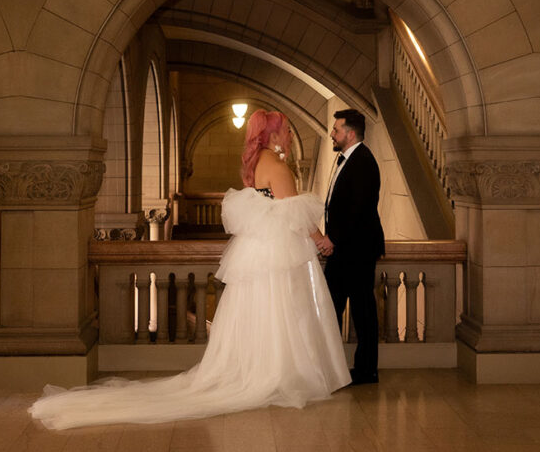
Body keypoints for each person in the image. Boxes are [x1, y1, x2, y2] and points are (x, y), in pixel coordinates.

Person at [29, 110, 349, 430]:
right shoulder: (278, 167)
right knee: (282, 310)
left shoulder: (255, 165)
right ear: (272, 135)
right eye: (287, 131)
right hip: (277, 252)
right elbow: (296, 215)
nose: (291, 136)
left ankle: (262, 367)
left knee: (261, 311)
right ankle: (281, 372)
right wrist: (322, 241)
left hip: (260, 250)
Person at [315, 108, 385, 385]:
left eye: (336, 129)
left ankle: (366, 370)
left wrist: (332, 239)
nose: (332, 133)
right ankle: (329, 366)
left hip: (357, 251)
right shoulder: (349, 160)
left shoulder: (364, 162)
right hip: (346, 249)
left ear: (350, 133)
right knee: (332, 306)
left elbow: (357, 209)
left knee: (362, 310)